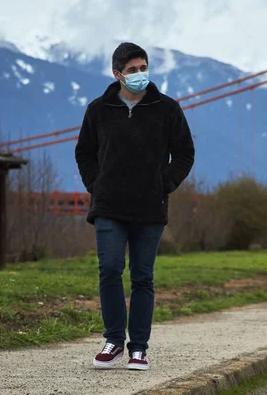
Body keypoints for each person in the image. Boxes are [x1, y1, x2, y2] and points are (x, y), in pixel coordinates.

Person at [75, 42, 195, 370]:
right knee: (110, 269)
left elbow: (184, 153)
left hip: (150, 208)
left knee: (143, 276)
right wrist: (95, 185)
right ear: (117, 74)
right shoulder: (98, 110)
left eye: (144, 68)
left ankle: (138, 348)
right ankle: (113, 340)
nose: (141, 74)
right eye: (133, 70)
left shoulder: (167, 109)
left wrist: (164, 183)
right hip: (109, 205)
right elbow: (84, 152)